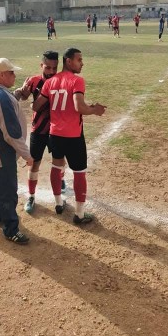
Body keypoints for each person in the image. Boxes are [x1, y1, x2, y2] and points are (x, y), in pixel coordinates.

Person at [33, 47, 106, 225]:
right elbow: (79, 107)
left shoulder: (50, 82)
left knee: (56, 167)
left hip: (55, 134)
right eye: (79, 60)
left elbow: (35, 106)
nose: (82, 63)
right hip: (73, 136)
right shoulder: (77, 81)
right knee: (79, 172)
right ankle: (80, 215)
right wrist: (95, 110)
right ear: (68, 61)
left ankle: (58, 204)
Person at [0, 58, 33, 244]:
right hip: (3, 151)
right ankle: (11, 229)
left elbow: (7, 100)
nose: (14, 75)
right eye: (11, 73)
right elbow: (11, 135)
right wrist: (28, 156)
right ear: (2, 75)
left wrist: (19, 93)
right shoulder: (1, 98)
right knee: (8, 190)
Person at [17, 51, 65, 214]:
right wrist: (23, 91)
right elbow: (23, 97)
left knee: (59, 161)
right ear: (41, 65)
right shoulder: (34, 81)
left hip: (57, 130)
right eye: (48, 67)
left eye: (54, 67)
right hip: (38, 129)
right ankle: (31, 196)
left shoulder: (61, 81)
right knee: (34, 163)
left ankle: (60, 183)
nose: (51, 71)